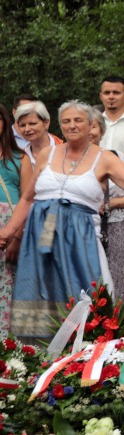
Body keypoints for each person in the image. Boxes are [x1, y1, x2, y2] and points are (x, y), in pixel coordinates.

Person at [4, 101, 124, 341]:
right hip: (42, 235)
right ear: (59, 125)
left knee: (86, 291)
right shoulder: (47, 154)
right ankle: (35, 350)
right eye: (66, 121)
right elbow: (27, 198)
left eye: (78, 120)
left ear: (90, 124)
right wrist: (8, 232)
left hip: (80, 237)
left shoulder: (105, 158)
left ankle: (85, 349)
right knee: (41, 291)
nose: (72, 125)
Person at [90, 113, 124, 319]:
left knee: (121, 280)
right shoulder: (68, 161)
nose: (89, 132)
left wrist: (109, 204)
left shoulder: (117, 157)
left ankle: (121, 327)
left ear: (101, 131)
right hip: (85, 228)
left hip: (118, 226)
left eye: (93, 126)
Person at [0, 104, 29, 335]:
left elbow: (29, 198)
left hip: (10, 227)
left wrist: (17, 237)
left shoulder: (21, 157)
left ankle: (7, 341)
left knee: (8, 282)